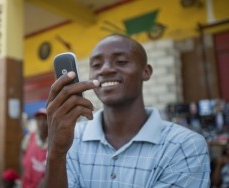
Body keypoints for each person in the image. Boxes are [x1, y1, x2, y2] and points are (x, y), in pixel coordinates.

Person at [43, 34, 211, 187]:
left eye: (121, 61)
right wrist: (56, 153)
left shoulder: (184, 145)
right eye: (96, 65)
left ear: (145, 72)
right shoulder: (72, 138)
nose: (105, 69)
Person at [22, 108, 48, 188]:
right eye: (39, 120)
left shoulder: (54, 142)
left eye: (45, 120)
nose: (42, 123)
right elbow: (22, 152)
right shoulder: (29, 138)